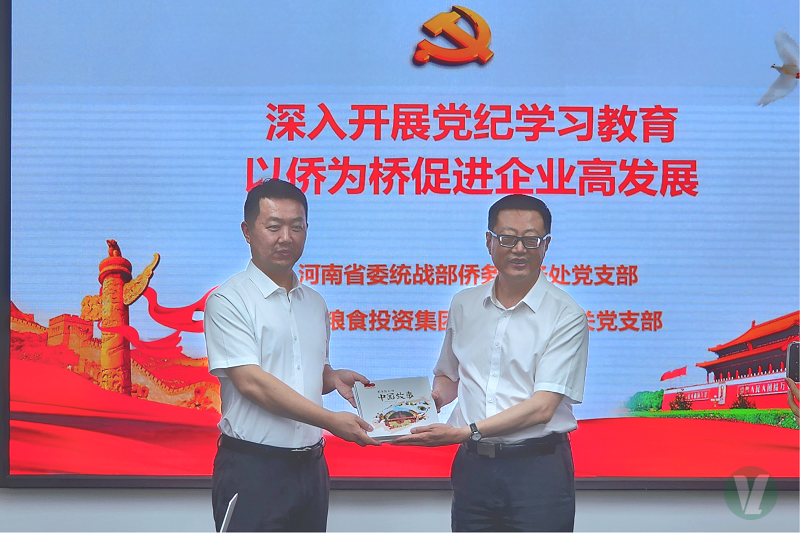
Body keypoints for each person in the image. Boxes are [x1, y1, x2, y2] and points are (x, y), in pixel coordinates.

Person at [394, 194, 589, 532]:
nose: (519, 249)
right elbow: (449, 376)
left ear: (546, 245)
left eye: (531, 240)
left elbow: (543, 407)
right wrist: (430, 401)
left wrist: (464, 431)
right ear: (489, 241)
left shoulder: (566, 315)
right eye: (508, 238)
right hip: (474, 469)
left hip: (538, 470)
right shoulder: (464, 304)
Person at [204, 179, 380, 532]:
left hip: (311, 469)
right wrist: (330, 420)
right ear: (247, 231)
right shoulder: (228, 300)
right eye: (274, 227)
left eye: (296, 227)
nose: (286, 237)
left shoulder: (314, 302)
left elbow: (302, 370)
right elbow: (252, 383)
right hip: (253, 468)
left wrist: (331, 378)